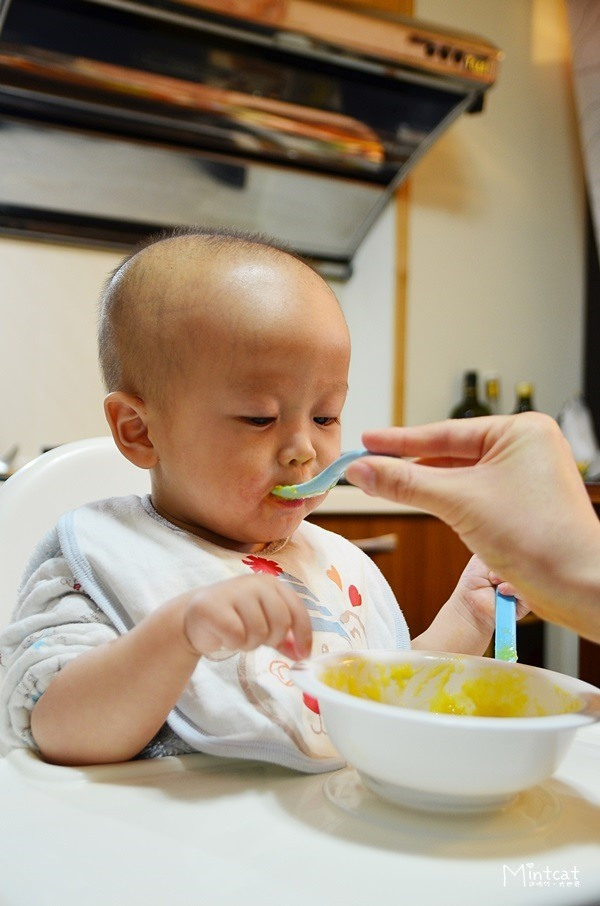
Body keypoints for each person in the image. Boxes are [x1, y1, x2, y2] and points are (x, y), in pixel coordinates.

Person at [0, 229, 524, 769]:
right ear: (140, 431)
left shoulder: (330, 565)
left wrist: (467, 617)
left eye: (325, 417)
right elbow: (56, 729)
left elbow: (383, 703)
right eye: (259, 418)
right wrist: (176, 636)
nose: (304, 450)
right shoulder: (101, 560)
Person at [345, 414, 600, 644]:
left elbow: (401, 682)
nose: (304, 449)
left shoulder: (351, 567)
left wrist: (472, 614)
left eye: (323, 419)